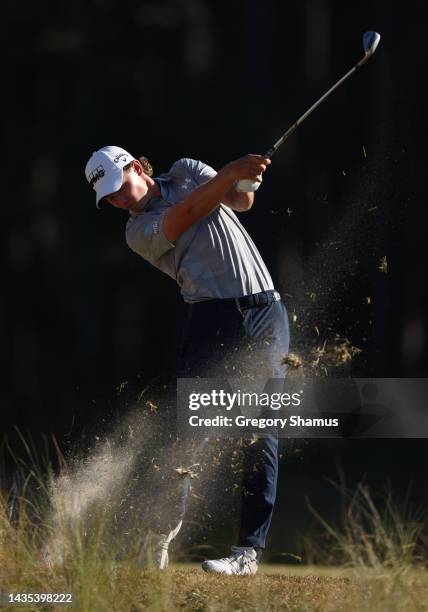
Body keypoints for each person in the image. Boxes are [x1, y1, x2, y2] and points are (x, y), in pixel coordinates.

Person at [85, 145, 290, 574]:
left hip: (266, 311)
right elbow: (190, 213)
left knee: (259, 429)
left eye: (118, 188)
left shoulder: (187, 171)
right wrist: (232, 169)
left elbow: (239, 202)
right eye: (110, 199)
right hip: (211, 319)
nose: (119, 200)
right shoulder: (137, 231)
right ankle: (158, 535)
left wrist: (246, 182)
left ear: (136, 168)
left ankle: (247, 552)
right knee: (190, 433)